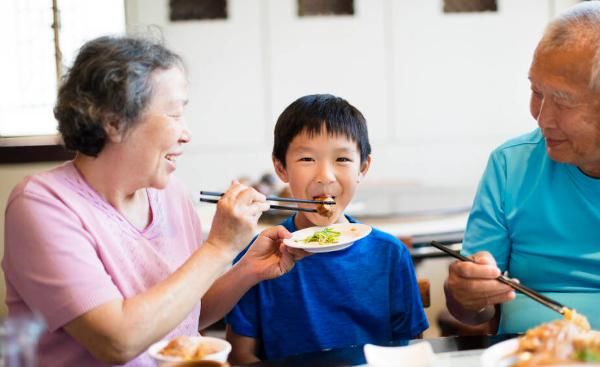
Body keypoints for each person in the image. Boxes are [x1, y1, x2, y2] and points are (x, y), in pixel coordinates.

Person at [2, 36, 307, 367]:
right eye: (173, 114)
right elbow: (117, 342)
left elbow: (184, 313)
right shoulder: (42, 205)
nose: (186, 133)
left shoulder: (169, 192)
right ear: (115, 122)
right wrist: (218, 248)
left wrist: (247, 268)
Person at [445, 1, 600, 334]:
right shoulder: (509, 165)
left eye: (564, 101)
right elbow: (474, 313)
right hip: (524, 353)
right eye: (536, 91)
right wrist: (466, 295)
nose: (541, 118)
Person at [225, 94, 429, 363]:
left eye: (342, 160)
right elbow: (241, 356)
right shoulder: (258, 258)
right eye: (307, 159)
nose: (325, 176)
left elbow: (409, 351)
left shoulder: (390, 254)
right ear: (280, 167)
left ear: (363, 167)